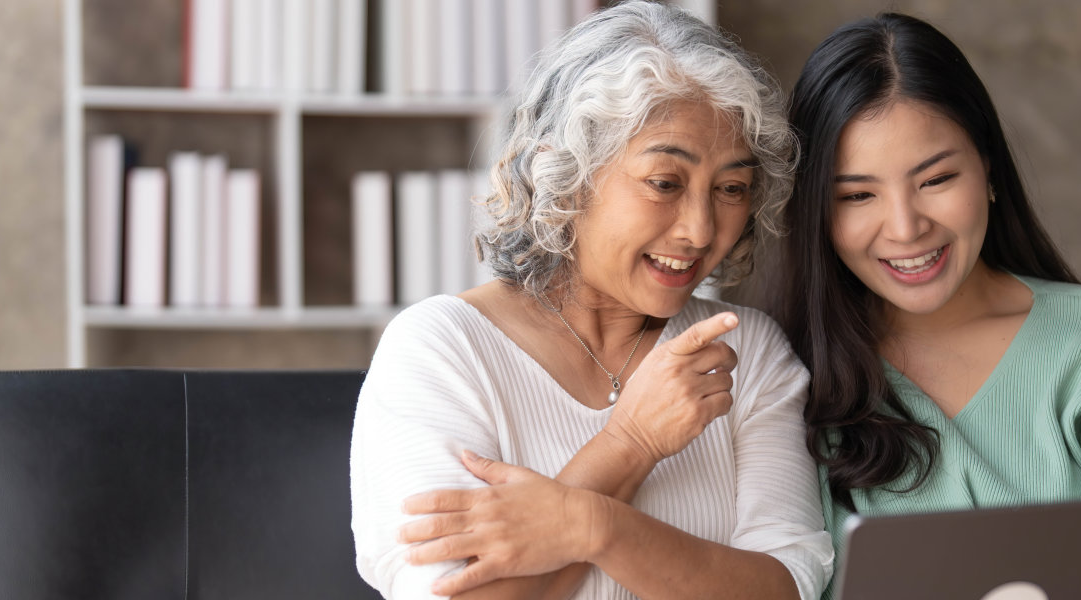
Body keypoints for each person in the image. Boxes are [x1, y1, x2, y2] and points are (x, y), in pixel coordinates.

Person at [349, 3, 829, 599]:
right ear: (567, 175)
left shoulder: (746, 351)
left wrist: (591, 526)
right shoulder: (439, 350)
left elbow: (786, 589)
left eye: (732, 189)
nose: (702, 230)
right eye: (664, 183)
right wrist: (630, 444)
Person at [771, 13, 1081, 599]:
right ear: (817, 216)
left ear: (990, 171)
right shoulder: (785, 376)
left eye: (935, 180)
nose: (905, 228)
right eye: (857, 195)